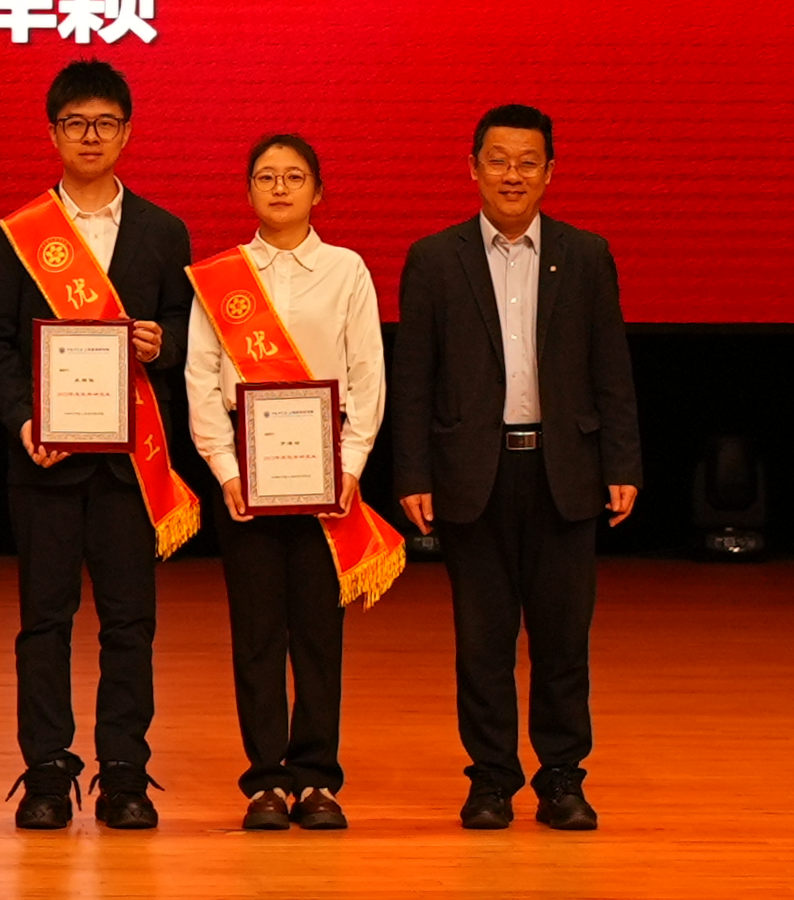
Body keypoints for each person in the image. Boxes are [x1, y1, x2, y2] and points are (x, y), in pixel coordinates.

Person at [390, 104, 641, 832]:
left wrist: (623, 461)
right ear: (472, 168)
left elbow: (611, 368)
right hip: (474, 475)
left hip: (566, 472)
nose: (512, 175)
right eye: (498, 160)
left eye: (527, 162)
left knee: (563, 641)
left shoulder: (585, 254)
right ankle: (491, 779)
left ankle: (562, 777)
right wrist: (413, 473)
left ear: (550, 172)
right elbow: (414, 378)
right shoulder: (435, 259)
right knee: (483, 643)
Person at [0, 59, 198, 831]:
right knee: (44, 623)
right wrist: (24, 422)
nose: (91, 136)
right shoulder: (22, 233)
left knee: (130, 625)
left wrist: (163, 344)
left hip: (132, 466)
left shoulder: (164, 232)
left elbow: (190, 334)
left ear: (126, 133)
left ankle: (124, 775)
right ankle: (46, 772)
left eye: (105, 123)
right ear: (53, 134)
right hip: (46, 462)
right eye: (76, 124)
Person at [185, 134, 394, 831]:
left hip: (324, 478)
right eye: (266, 177)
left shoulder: (346, 270)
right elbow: (199, 379)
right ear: (248, 191)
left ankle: (317, 780)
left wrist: (350, 467)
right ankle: (265, 784)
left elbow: (367, 375)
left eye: (294, 176)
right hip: (248, 479)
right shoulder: (222, 276)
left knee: (318, 634)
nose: (280, 188)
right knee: (256, 635)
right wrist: (225, 470)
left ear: (318, 191)